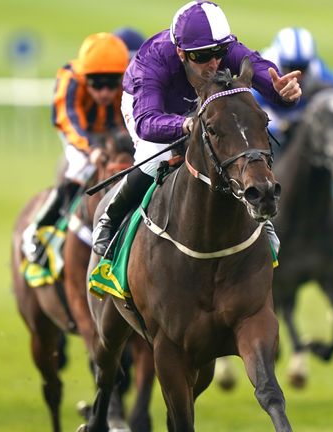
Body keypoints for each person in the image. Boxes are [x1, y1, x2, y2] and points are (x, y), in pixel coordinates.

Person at [91, 0, 303, 256]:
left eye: (220, 52)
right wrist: (185, 124)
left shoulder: (220, 50)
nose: (214, 63)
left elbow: (260, 69)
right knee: (154, 158)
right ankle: (110, 218)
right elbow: (147, 122)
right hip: (151, 109)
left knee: (230, 146)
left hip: (200, 104)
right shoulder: (153, 61)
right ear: (181, 52)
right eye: (202, 57)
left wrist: (281, 92)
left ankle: (260, 215)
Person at [22, 32, 130, 262]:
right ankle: (38, 228)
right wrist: (92, 149)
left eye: (112, 84)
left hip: (113, 133)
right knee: (81, 167)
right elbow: (68, 120)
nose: (105, 93)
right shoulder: (69, 79)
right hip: (79, 133)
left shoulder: (130, 78)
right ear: (84, 77)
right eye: (96, 85)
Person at [255, 27, 333, 153]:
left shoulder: (317, 70)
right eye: (290, 67)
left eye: (302, 69)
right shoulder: (264, 68)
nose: (297, 75)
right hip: (271, 117)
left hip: (302, 118)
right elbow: (254, 105)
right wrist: (278, 126)